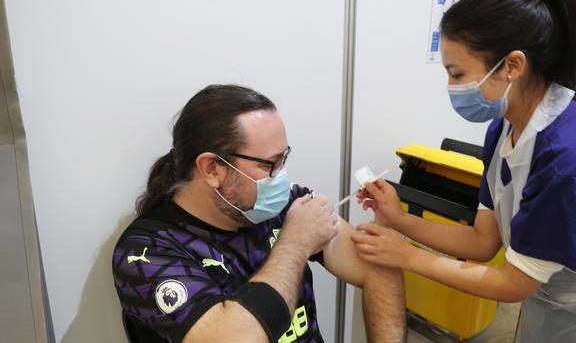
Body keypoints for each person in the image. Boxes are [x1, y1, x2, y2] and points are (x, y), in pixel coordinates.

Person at [350, 0, 576, 342]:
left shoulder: (571, 164)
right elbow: (482, 241)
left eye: (457, 73)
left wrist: (408, 256)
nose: (451, 86)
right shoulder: (505, 129)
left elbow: (513, 284)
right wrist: (399, 218)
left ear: (512, 65)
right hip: (549, 296)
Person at [112, 85, 405, 343]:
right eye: (269, 165)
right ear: (213, 169)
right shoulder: (148, 253)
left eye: (283, 160)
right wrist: (295, 244)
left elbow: (378, 266)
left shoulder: (287, 205)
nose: (280, 178)